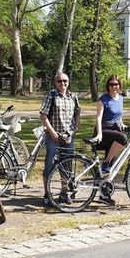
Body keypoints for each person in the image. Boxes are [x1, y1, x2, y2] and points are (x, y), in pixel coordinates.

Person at [39, 72, 80, 207]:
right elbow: (43, 116)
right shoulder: (51, 96)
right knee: (49, 165)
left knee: (67, 166)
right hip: (53, 137)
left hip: (68, 137)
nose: (63, 84)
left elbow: (77, 113)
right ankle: (47, 194)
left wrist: (75, 129)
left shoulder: (73, 96)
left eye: (65, 81)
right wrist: (52, 133)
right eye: (60, 81)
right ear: (55, 83)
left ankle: (63, 193)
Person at [93, 75, 128, 204]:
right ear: (108, 86)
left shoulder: (121, 99)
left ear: (120, 85)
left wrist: (122, 124)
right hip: (104, 130)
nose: (114, 86)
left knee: (110, 169)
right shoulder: (104, 99)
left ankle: (104, 196)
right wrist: (99, 134)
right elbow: (98, 118)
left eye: (116, 84)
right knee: (123, 139)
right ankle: (105, 162)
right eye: (111, 84)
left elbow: (118, 115)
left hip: (115, 131)